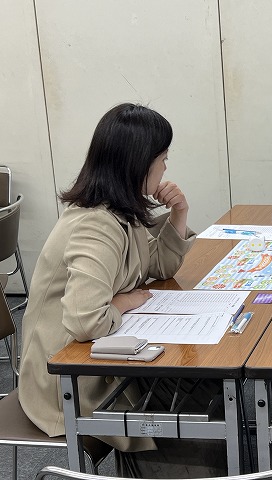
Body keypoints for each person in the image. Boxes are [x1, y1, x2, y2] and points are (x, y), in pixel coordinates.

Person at [18, 103, 225, 477]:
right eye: (162, 159)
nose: (165, 168)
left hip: (104, 353)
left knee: (208, 381)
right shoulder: (95, 225)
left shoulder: (121, 211)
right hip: (71, 376)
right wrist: (126, 300)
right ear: (139, 164)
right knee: (194, 392)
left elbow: (158, 267)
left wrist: (179, 213)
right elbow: (85, 321)